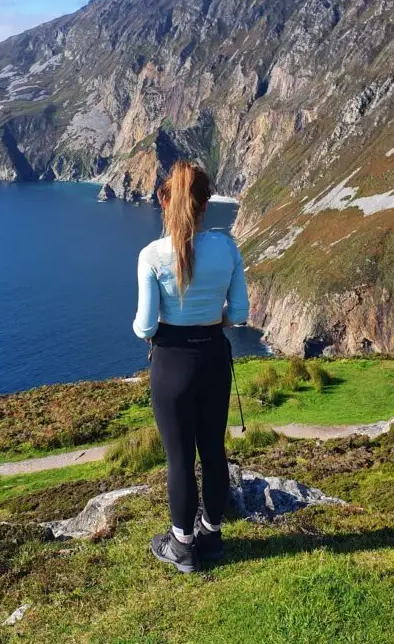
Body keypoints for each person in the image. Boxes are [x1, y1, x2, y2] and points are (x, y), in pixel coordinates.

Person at [132, 159, 250, 573]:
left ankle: (181, 546)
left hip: (171, 365)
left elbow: (145, 325)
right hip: (214, 359)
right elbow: (238, 312)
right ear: (206, 204)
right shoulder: (227, 247)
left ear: (165, 199)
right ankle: (211, 537)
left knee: (179, 458)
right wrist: (209, 316)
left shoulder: (152, 255)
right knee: (213, 451)